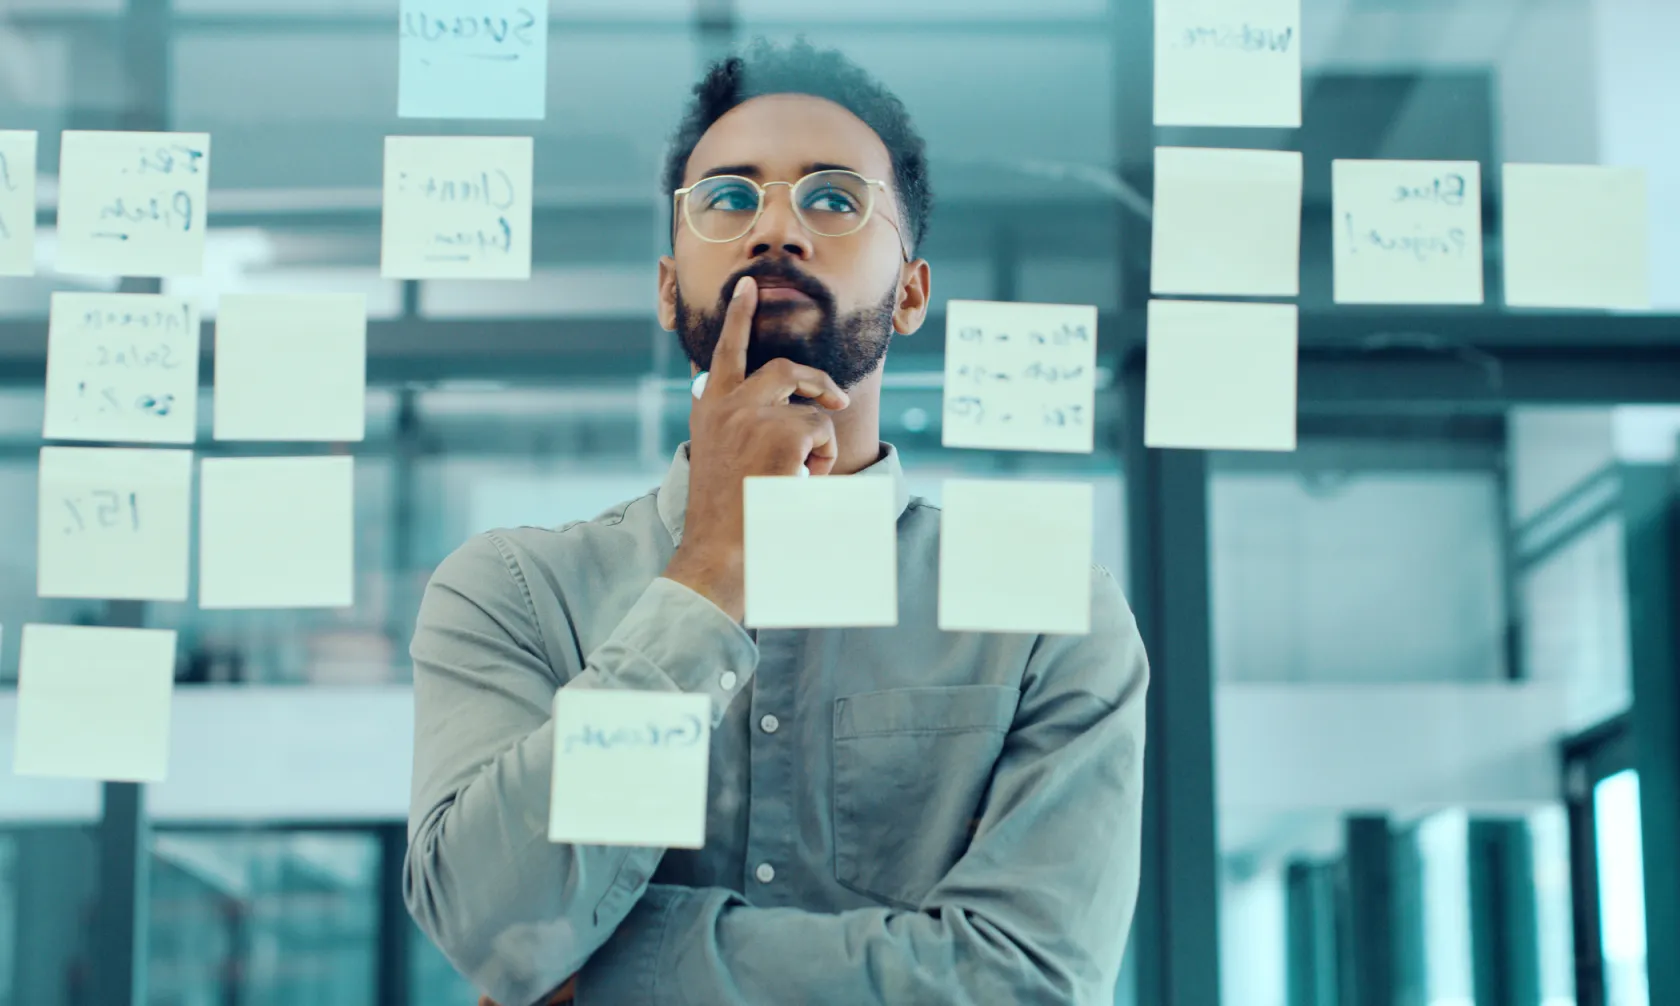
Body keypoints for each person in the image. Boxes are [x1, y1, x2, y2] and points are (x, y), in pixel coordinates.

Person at [407, 37, 1150, 1006]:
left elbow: (1030, 982)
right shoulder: (511, 591)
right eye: (728, 198)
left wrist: (603, 974)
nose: (777, 231)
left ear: (912, 292)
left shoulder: (1045, 611)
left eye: (835, 199)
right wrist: (712, 566)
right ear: (670, 285)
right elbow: (494, 926)